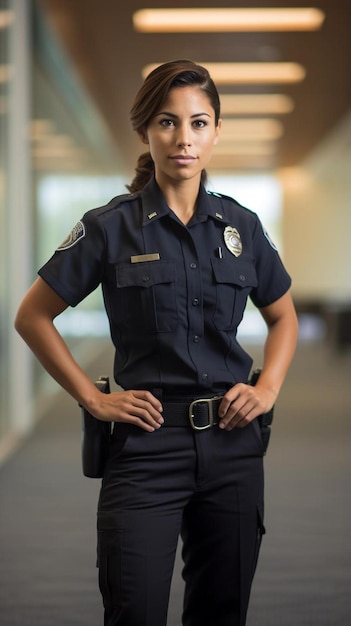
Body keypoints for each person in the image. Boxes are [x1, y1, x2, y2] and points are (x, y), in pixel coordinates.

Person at [15, 59, 299, 626]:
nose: (184, 139)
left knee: (222, 612)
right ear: (146, 129)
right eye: (168, 122)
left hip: (233, 443)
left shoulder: (241, 228)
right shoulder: (109, 227)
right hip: (146, 445)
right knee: (134, 610)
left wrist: (266, 388)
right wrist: (93, 400)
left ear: (216, 131)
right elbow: (33, 316)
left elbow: (283, 316)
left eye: (198, 123)